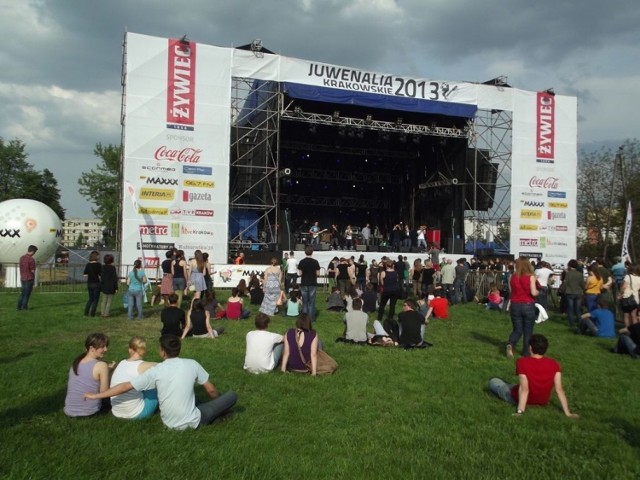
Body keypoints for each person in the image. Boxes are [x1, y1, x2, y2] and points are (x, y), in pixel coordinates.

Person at [85, 334, 238, 430]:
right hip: (194, 421)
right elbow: (211, 390)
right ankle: (217, 415)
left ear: (162, 352)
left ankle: (214, 414)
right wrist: (217, 402)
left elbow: (125, 386)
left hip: (168, 423)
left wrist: (98, 395)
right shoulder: (192, 363)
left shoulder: (155, 371)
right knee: (231, 396)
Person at [488, 334, 579, 418]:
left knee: (494, 381)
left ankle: (505, 386)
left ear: (530, 347)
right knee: (511, 385)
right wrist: (568, 413)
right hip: (542, 401)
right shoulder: (554, 364)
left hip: (519, 398)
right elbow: (559, 389)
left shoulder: (522, 362)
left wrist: (520, 411)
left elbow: (524, 389)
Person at [64, 333, 114, 417]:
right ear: (91, 348)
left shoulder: (76, 362)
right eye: (103, 347)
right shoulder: (101, 365)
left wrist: (107, 371)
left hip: (69, 411)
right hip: (90, 412)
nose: (106, 349)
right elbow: (104, 393)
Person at [110, 337, 158, 420]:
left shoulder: (121, 362)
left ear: (130, 350)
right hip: (136, 413)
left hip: (116, 411)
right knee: (155, 384)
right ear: (144, 351)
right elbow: (165, 365)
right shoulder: (143, 365)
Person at [506, 257, 539, 358]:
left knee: (517, 330)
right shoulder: (531, 277)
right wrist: (538, 292)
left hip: (515, 304)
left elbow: (511, 292)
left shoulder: (512, 277)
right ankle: (526, 352)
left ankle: (510, 344)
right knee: (528, 331)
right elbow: (534, 292)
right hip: (528, 304)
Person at [297, 246, 321, 322]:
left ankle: (304, 319)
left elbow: (300, 273)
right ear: (312, 252)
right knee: (311, 301)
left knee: (305, 301)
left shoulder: (301, 262)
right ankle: (311, 318)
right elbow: (318, 274)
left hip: (304, 282)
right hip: (312, 283)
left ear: (305, 252)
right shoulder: (315, 262)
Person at [563, 259, 585, 328]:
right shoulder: (580, 274)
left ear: (570, 265)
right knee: (578, 309)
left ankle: (571, 323)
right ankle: (580, 321)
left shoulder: (568, 274)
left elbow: (565, 283)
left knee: (570, 309)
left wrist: (564, 290)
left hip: (570, 292)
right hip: (578, 292)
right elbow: (582, 284)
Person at [378, 259, 401, 323]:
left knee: (382, 304)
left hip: (387, 290)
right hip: (395, 290)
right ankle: (390, 318)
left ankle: (380, 317)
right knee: (392, 305)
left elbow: (382, 283)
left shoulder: (383, 272)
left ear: (386, 265)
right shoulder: (396, 272)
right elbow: (397, 280)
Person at [17, 244, 38, 311]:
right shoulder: (31, 260)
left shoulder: (21, 258)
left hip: (22, 278)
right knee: (27, 294)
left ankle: (18, 307)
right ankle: (24, 307)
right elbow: (32, 270)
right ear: (32, 251)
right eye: (34, 252)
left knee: (22, 293)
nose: (34, 253)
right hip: (29, 278)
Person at [83, 251, 102, 317]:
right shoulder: (99, 265)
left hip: (89, 284)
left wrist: (90, 273)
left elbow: (85, 275)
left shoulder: (88, 265)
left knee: (90, 299)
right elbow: (100, 275)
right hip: (96, 284)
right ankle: (92, 314)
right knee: (95, 300)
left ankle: (86, 313)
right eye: (98, 256)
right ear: (95, 256)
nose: (99, 257)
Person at [100, 253, 118, 318]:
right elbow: (114, 278)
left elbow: (101, 277)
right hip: (111, 286)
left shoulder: (102, 267)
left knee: (103, 301)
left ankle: (102, 313)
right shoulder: (113, 268)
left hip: (104, 286)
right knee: (109, 302)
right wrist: (116, 288)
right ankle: (106, 314)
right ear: (111, 260)